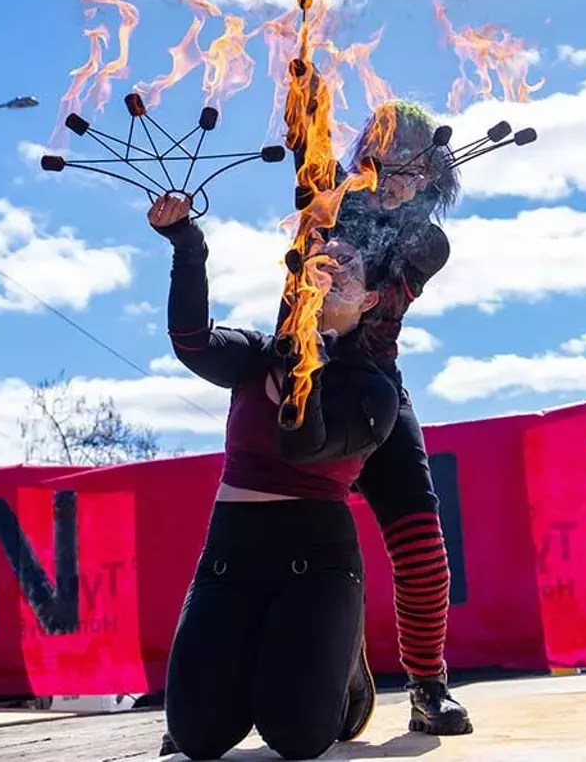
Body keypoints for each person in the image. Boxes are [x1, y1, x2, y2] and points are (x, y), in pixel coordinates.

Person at [150, 192, 401, 761]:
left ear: (367, 301)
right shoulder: (258, 355)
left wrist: (305, 362)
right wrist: (187, 247)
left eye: (350, 267)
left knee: (298, 738)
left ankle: (346, 680)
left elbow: (303, 445)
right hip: (230, 555)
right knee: (199, 738)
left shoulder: (373, 390)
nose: (332, 267)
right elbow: (191, 342)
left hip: (317, 560)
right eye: (319, 258)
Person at [328, 99, 473, 738]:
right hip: (299, 375)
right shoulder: (326, 199)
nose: (399, 176)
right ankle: (222, 683)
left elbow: (368, 307)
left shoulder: (427, 241)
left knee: (422, 543)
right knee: (265, 542)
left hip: (376, 387)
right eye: (390, 157)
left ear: (432, 178)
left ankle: (426, 685)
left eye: (416, 168)